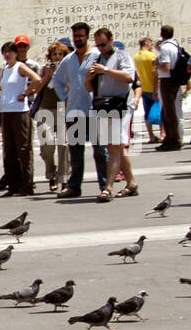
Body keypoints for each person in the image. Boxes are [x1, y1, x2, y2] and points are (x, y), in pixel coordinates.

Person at [84, 28, 137, 202]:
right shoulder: (96, 59)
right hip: (103, 105)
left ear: (111, 40)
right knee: (118, 147)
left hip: (120, 104)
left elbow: (129, 77)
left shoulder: (122, 56)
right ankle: (131, 183)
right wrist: (89, 78)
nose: (101, 48)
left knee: (114, 147)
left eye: (103, 44)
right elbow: (90, 88)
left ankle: (108, 187)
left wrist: (105, 70)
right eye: (98, 45)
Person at [53, 22, 103, 197]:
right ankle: (74, 186)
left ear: (87, 36)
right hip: (74, 110)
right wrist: (65, 98)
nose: (78, 39)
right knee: (75, 152)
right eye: (75, 36)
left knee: (100, 151)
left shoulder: (97, 56)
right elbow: (56, 80)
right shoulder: (68, 60)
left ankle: (105, 184)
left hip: (94, 109)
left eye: (81, 36)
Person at [0, 41, 42, 196]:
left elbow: (37, 79)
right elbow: (3, 87)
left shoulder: (20, 67)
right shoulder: (5, 68)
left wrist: (26, 93)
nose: (7, 55)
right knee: (9, 151)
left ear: (16, 53)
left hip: (20, 112)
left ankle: (27, 185)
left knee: (23, 149)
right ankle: (13, 185)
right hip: (6, 111)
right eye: (4, 52)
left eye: (10, 52)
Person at [32, 41, 70, 192]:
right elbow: (36, 89)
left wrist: (60, 76)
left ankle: (64, 178)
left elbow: (70, 89)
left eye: (60, 54)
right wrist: (47, 76)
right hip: (45, 110)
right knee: (47, 147)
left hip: (62, 109)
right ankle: (51, 173)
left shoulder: (67, 70)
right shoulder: (44, 70)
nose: (57, 57)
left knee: (64, 145)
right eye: (55, 54)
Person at [155, 24, 185, 151]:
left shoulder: (165, 47)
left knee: (169, 112)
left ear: (162, 34)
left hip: (168, 80)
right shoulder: (175, 45)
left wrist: (157, 64)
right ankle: (171, 138)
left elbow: (166, 67)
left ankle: (173, 139)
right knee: (169, 111)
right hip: (174, 80)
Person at [133, 37, 159, 143]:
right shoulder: (151, 56)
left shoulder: (136, 57)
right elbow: (155, 74)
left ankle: (151, 136)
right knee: (160, 111)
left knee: (147, 113)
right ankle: (163, 133)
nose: (152, 47)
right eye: (151, 44)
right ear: (147, 43)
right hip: (153, 87)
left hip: (144, 88)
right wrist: (156, 88)